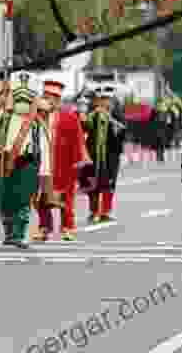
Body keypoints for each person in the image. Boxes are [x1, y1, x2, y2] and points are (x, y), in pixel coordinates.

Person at [0, 71, 51, 248]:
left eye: (26, 101)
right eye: (18, 99)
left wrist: (45, 172)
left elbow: (44, 146)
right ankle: (9, 233)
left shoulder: (37, 123)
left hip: (28, 163)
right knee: (5, 199)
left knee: (23, 199)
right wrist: (2, 98)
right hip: (5, 162)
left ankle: (19, 234)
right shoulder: (3, 116)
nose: (22, 104)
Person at [32, 80, 89, 242]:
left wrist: (78, 159)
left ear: (59, 99)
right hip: (41, 162)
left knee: (66, 198)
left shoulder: (69, 116)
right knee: (40, 197)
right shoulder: (36, 115)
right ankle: (44, 227)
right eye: (47, 96)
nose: (50, 100)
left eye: (54, 97)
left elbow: (77, 139)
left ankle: (68, 227)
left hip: (64, 163)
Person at [83, 85, 126, 223]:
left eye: (107, 99)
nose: (103, 102)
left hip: (111, 154)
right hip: (93, 154)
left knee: (109, 183)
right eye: (100, 99)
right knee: (92, 183)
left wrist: (110, 119)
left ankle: (106, 212)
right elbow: (83, 129)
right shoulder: (91, 114)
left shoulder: (117, 114)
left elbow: (122, 131)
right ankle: (93, 211)